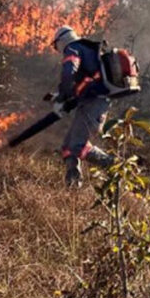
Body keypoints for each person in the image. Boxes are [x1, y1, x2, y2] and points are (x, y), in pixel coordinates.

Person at [51, 25, 115, 188]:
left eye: (55, 45)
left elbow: (69, 72)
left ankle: (116, 166)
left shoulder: (72, 48)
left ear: (61, 40)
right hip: (91, 103)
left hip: (95, 103)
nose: (56, 49)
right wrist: (62, 96)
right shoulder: (85, 49)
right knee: (67, 147)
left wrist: (63, 95)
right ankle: (73, 185)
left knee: (77, 146)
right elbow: (82, 83)